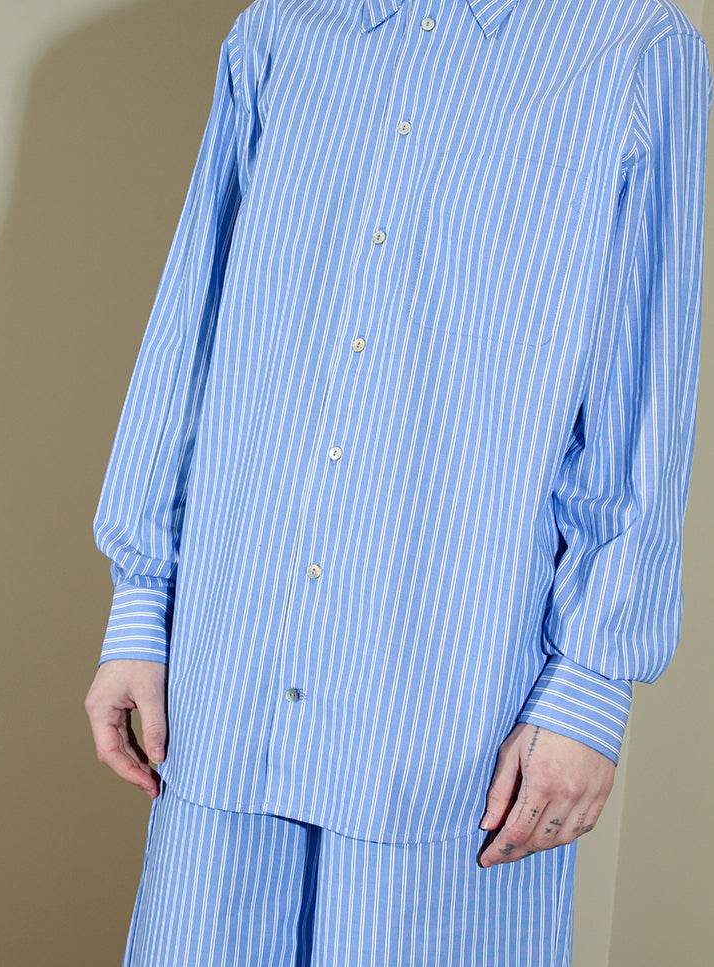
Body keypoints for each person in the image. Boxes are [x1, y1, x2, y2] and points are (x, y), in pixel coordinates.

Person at [84, 0, 711, 963]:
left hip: (448, 706)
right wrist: (142, 604)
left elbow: (642, 398)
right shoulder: (278, 33)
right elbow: (192, 326)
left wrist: (589, 686)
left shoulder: (633, 50)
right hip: (234, 669)